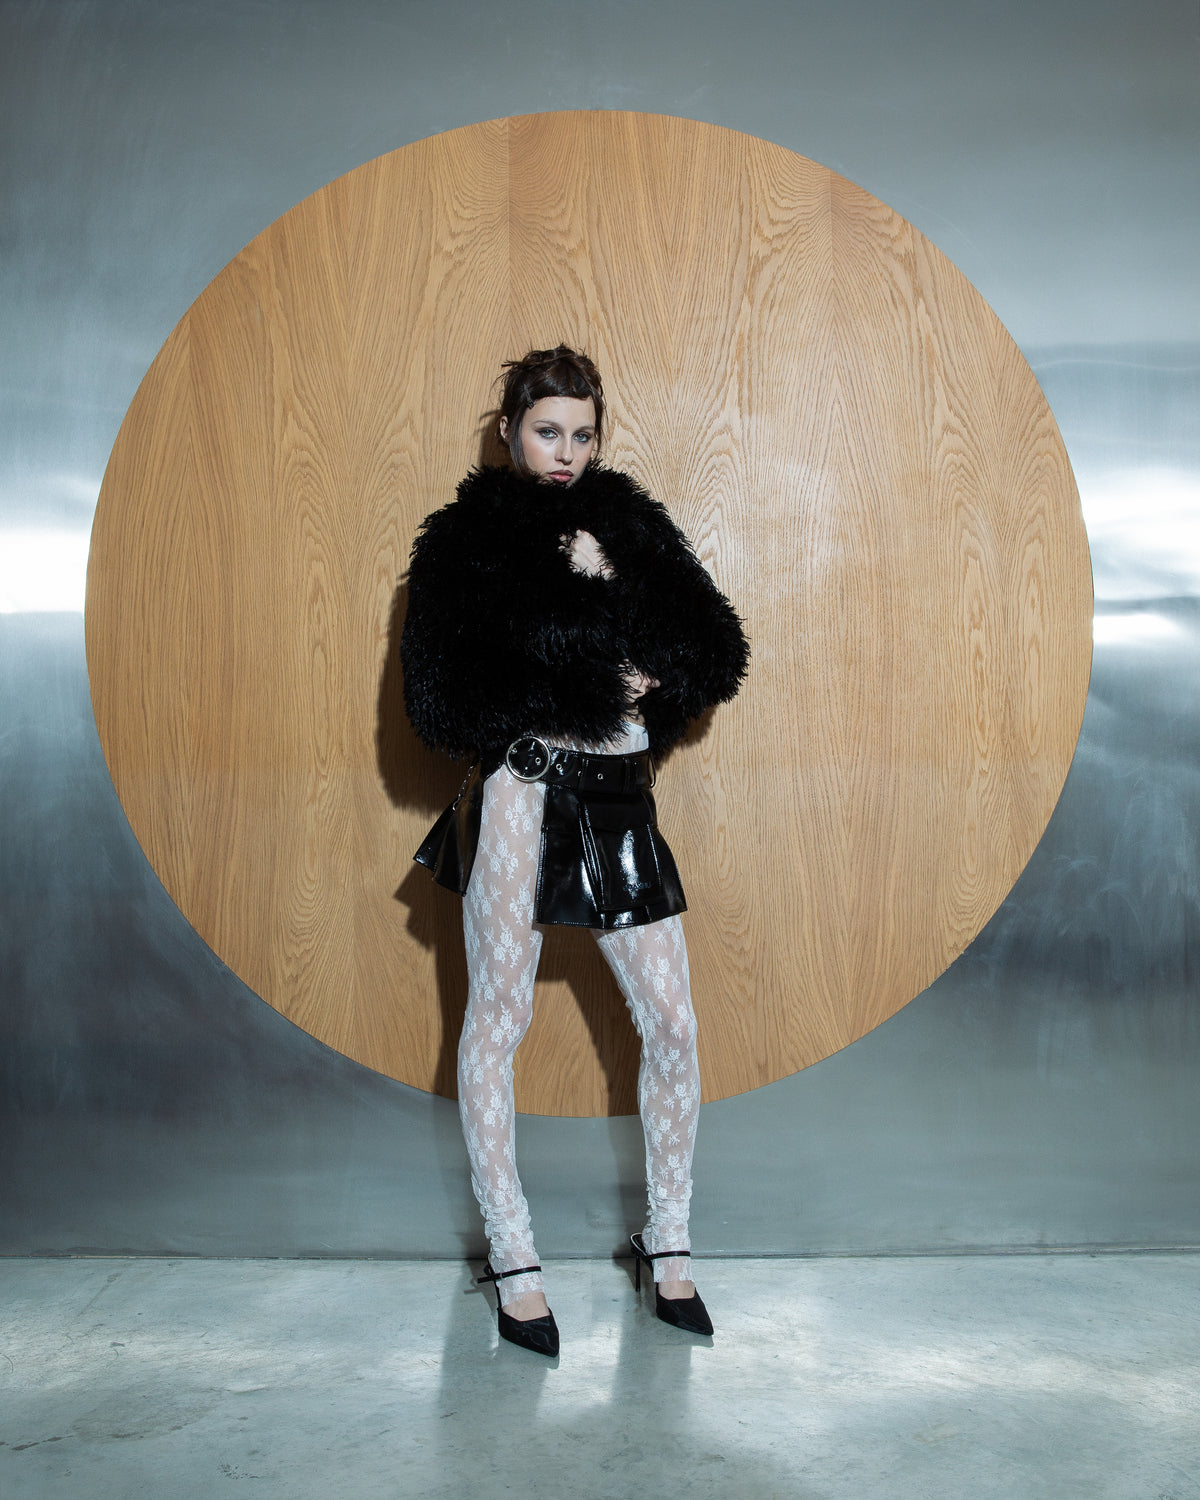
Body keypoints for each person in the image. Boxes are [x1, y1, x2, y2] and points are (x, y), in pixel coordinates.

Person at [400, 346, 748, 1357]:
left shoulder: (630, 524)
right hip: (521, 791)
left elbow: (710, 650)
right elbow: (438, 700)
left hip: (620, 801)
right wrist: (590, 629)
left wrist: (625, 614)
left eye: (582, 433)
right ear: (508, 430)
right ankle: (513, 1257)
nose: (565, 452)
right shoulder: (463, 543)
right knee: (497, 1017)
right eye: (547, 430)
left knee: (674, 1024)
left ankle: (667, 1247)